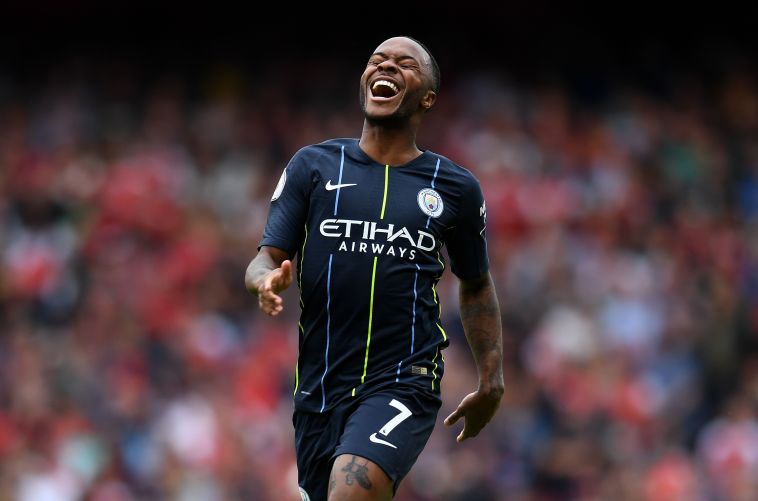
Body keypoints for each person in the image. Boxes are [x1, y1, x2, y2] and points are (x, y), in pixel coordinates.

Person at [245, 35, 504, 501]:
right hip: (320, 388)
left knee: (353, 487)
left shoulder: (455, 188)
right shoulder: (313, 167)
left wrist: (491, 378)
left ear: (427, 97)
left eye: (404, 63)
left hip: (404, 378)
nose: (385, 67)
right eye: (377, 60)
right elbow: (265, 256)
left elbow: (476, 283)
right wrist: (262, 280)